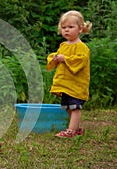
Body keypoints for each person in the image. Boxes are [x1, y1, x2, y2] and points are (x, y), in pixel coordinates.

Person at [46, 10, 92, 138]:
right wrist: (55, 58)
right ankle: (76, 128)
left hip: (76, 84)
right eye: (64, 27)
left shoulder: (81, 47)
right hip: (66, 84)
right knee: (67, 107)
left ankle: (71, 131)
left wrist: (65, 59)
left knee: (75, 107)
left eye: (71, 27)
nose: (66, 30)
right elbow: (59, 57)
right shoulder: (63, 45)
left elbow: (80, 60)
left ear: (80, 29)